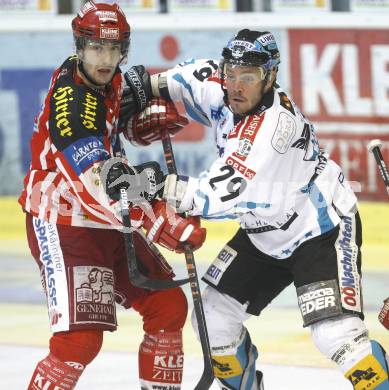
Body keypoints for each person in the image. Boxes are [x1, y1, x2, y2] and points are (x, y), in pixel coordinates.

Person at [126, 29, 389, 389]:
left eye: (248, 77)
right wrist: (143, 86)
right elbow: (183, 79)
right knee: (213, 320)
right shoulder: (225, 87)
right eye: (231, 73)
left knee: (337, 337)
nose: (236, 85)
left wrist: (160, 185)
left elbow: (219, 194)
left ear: (270, 76)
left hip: (318, 229)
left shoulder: (271, 132)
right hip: (264, 232)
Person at [18, 2, 206, 389]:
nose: (105, 59)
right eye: (96, 49)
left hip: (107, 217)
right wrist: (156, 217)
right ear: (79, 47)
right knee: (80, 342)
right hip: (67, 220)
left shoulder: (108, 80)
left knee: (168, 307)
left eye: (114, 49)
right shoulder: (73, 104)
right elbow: (99, 182)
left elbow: (127, 101)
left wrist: (141, 117)